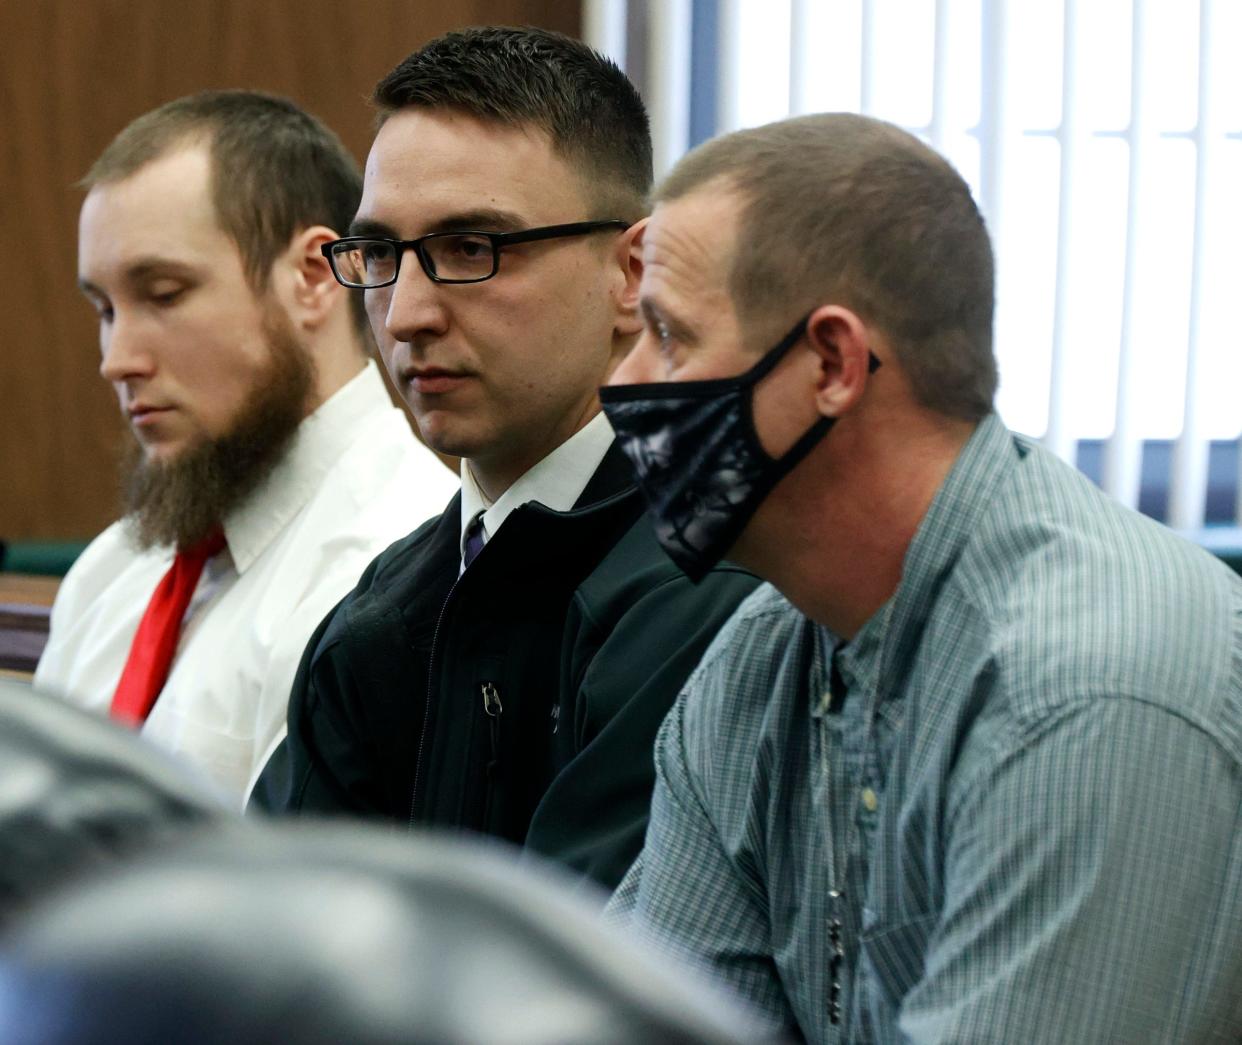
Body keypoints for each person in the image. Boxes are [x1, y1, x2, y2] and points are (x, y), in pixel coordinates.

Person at [601, 112, 1242, 1042]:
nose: (622, 383)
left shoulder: (1087, 687)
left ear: (831, 362)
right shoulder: (759, 657)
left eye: (667, 333)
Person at [251, 27, 758, 891]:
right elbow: (269, 937)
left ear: (632, 273)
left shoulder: (723, 581)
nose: (406, 313)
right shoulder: (386, 611)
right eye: (379, 255)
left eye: (469, 249)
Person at [35, 91, 458, 805]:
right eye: (105, 310)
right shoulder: (114, 569)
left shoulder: (397, 570)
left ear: (314, 277)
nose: (117, 358)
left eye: (163, 294)